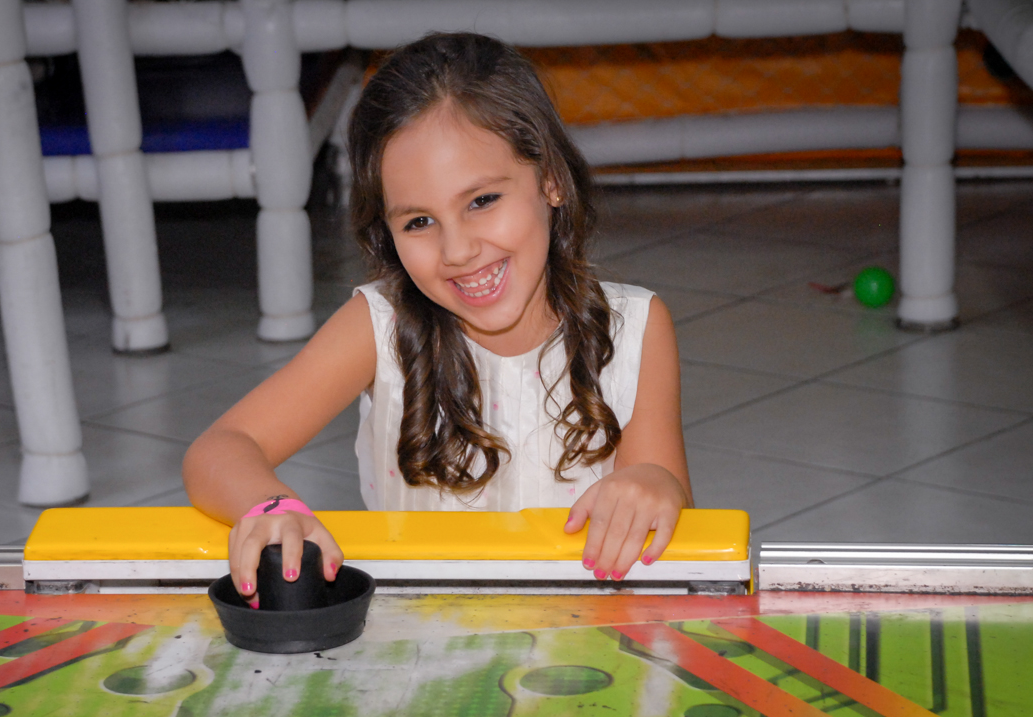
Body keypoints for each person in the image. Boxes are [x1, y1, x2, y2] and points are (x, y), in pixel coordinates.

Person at [183, 32, 693, 608]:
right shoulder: (376, 327)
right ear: (387, 230)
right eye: (419, 221)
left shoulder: (636, 327)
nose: (457, 251)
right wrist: (274, 510)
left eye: (481, 201)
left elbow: (668, 501)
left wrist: (656, 488)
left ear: (550, 178)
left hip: (586, 650)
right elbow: (220, 448)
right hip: (419, 650)